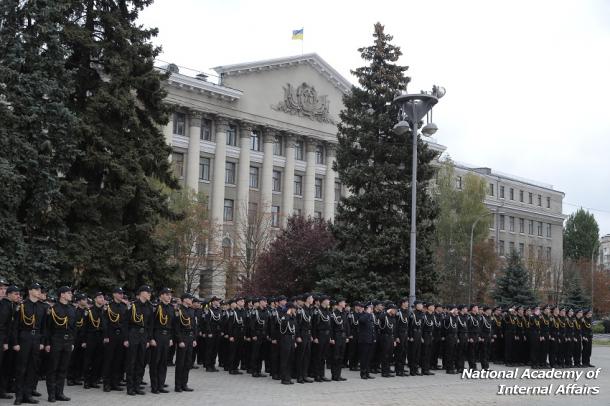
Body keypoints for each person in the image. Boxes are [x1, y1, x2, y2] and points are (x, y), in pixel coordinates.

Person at [12, 283, 47, 405]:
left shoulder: (42, 307)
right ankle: (19, 395)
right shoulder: (21, 306)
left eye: (39, 289)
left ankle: (28, 394)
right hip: (24, 337)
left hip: (36, 338)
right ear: (30, 291)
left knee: (33, 367)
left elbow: (44, 327)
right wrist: (15, 343)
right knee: (21, 368)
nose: (39, 291)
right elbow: (15, 326)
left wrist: (42, 342)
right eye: (36, 289)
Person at [45, 286, 77, 402]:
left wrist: (72, 341)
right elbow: (47, 328)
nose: (71, 295)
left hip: (68, 341)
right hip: (56, 340)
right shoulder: (53, 309)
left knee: (63, 368)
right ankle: (51, 394)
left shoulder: (72, 309)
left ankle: (60, 393)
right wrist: (47, 343)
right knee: (53, 368)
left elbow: (74, 328)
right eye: (68, 293)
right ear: (62, 295)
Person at [125, 285, 153, 396]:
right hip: (133, 333)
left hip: (143, 335)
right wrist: (126, 338)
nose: (150, 294)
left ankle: (137, 386)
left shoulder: (150, 307)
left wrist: (148, 339)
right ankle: (130, 387)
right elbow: (125, 323)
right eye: (148, 292)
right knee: (131, 361)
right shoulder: (132, 306)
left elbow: (150, 325)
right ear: (141, 293)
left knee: (141, 362)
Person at [102, 288, 127, 392]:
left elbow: (125, 323)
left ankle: (115, 383)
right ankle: (106, 384)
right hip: (111, 335)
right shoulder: (108, 307)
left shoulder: (124, 306)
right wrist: (106, 336)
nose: (121, 295)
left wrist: (126, 337)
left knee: (118, 360)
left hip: (121, 336)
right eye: (119, 293)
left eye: (122, 293)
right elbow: (105, 322)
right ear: (114, 294)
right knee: (109, 360)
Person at [149, 288, 174, 394]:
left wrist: (171, 338)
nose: (169, 297)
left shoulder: (171, 308)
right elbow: (150, 325)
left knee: (163, 362)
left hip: (166, 336)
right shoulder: (156, 308)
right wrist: (151, 338)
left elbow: (173, 325)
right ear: (161, 296)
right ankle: (154, 386)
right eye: (167, 294)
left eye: (170, 295)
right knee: (155, 362)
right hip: (157, 336)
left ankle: (161, 385)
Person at [82, 292, 105, 389]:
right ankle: (87, 381)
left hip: (101, 337)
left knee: (98, 360)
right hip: (91, 336)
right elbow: (84, 327)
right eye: (100, 297)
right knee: (88, 360)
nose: (102, 299)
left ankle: (94, 380)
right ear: (95, 299)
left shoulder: (105, 311)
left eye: (102, 297)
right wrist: (84, 340)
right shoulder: (89, 311)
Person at [174, 293, 197, 392]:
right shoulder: (179, 310)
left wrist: (195, 339)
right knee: (180, 363)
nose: (191, 300)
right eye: (189, 298)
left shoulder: (192, 310)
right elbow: (176, 328)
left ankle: (184, 384)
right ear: (184, 300)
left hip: (190, 338)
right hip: (183, 338)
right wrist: (179, 340)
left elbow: (194, 326)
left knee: (188, 363)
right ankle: (178, 385)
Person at [0, 281, 15, 400]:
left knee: (4, 365)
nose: (3, 290)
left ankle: (2, 390)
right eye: (1, 288)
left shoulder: (6, 304)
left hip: (3, 338)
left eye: (4, 288)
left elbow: (7, 325)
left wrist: (5, 341)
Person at [312, 296, 331, 382]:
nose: (329, 301)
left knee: (324, 356)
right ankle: (317, 375)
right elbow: (314, 325)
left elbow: (329, 325)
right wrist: (315, 337)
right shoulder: (317, 311)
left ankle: (322, 374)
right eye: (327, 300)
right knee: (318, 356)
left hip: (326, 335)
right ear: (323, 301)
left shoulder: (327, 310)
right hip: (320, 335)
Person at [295, 294, 313, 383]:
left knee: (307, 356)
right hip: (302, 335)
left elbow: (311, 324)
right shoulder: (300, 310)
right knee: (300, 356)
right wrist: (297, 336)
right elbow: (297, 324)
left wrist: (312, 335)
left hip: (308, 335)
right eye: (311, 298)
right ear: (307, 299)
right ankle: (299, 376)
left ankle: (305, 375)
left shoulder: (310, 309)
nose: (312, 299)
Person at [329, 298, 349, 381]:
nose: (345, 303)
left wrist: (347, 336)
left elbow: (347, 326)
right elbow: (331, 327)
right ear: (339, 303)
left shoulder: (344, 313)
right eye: (343, 302)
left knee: (341, 356)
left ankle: (338, 374)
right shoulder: (333, 314)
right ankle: (334, 375)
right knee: (335, 356)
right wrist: (332, 338)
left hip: (343, 336)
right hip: (336, 336)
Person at [249, 297, 269, 378]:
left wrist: (267, 334)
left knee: (261, 354)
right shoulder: (255, 312)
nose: (266, 303)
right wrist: (253, 335)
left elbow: (267, 324)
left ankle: (259, 370)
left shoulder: (266, 311)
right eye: (265, 301)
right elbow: (252, 325)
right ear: (260, 302)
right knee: (255, 354)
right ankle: (254, 371)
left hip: (263, 335)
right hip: (257, 335)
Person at [278, 303, 296, 385]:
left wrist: (294, 341)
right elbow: (283, 326)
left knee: (290, 359)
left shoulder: (292, 317)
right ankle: (284, 378)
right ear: (289, 309)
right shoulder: (284, 316)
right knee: (285, 359)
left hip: (291, 339)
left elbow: (294, 329)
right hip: (285, 339)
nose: (295, 310)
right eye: (293, 308)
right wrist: (288, 314)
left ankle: (288, 377)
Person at [357, 303, 375, 379]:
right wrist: (367, 313)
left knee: (368, 357)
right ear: (366, 308)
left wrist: (373, 338)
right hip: (364, 340)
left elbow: (372, 328)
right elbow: (361, 320)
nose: (371, 309)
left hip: (370, 339)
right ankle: (363, 373)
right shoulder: (362, 314)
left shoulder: (370, 315)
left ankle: (367, 372)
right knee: (364, 357)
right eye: (370, 307)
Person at [408, 300, 424, 376]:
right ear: (416, 305)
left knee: (418, 353)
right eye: (420, 304)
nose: (421, 306)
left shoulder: (422, 314)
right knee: (413, 353)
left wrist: (422, 336)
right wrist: (410, 336)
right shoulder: (412, 314)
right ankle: (412, 370)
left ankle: (416, 368)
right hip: (413, 334)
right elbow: (409, 326)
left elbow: (422, 326)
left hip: (419, 333)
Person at [394, 299, 409, 376]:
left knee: (404, 352)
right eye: (406, 302)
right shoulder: (398, 312)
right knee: (399, 352)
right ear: (403, 303)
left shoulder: (406, 312)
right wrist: (396, 336)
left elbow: (408, 325)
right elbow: (395, 325)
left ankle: (402, 369)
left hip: (405, 334)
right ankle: (398, 370)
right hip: (400, 334)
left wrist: (408, 335)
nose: (407, 304)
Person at [442, 304, 459, 374]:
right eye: (455, 310)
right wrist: (450, 313)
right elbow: (445, 320)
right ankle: (449, 369)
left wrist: (457, 337)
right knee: (449, 353)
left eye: (456, 310)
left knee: (454, 353)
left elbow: (456, 328)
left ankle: (452, 367)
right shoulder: (448, 317)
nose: (456, 311)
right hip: (449, 336)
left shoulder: (455, 317)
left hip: (454, 336)